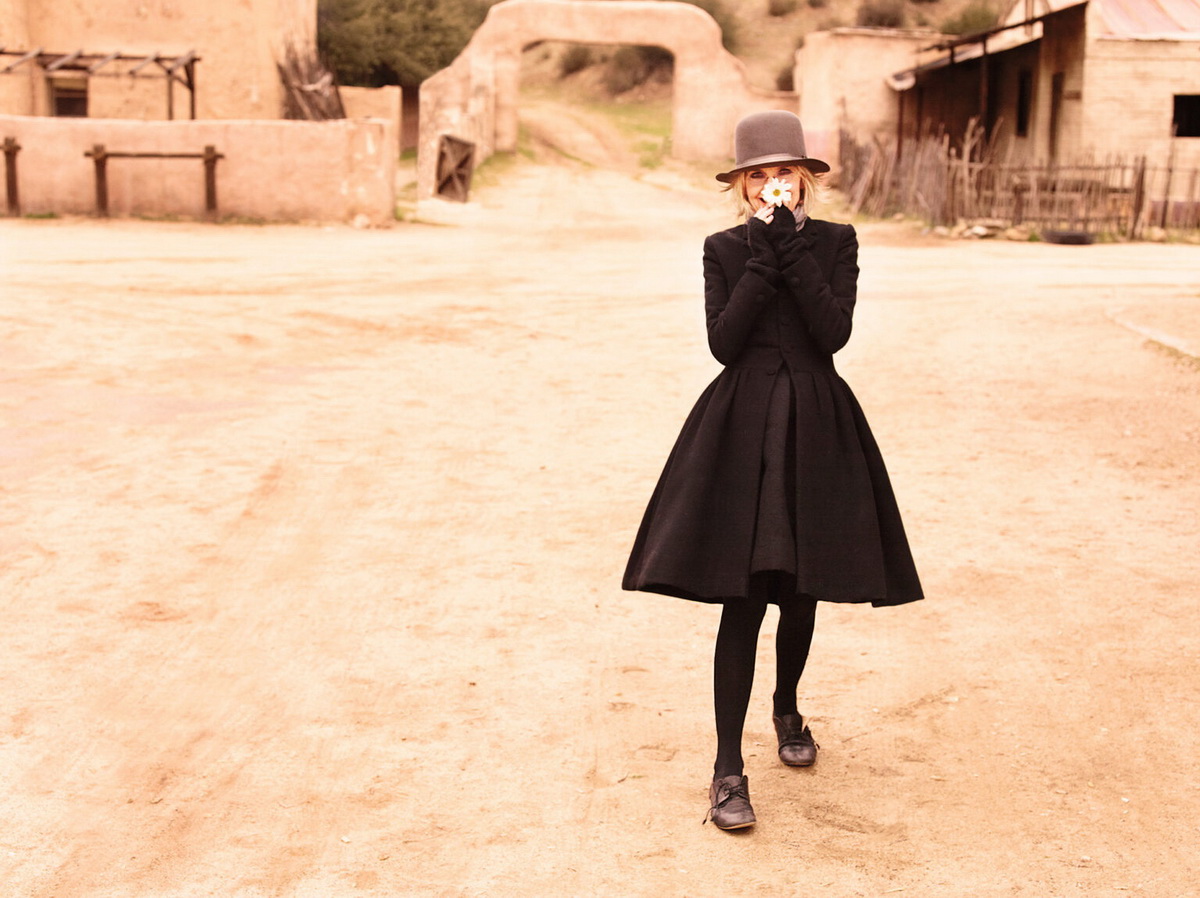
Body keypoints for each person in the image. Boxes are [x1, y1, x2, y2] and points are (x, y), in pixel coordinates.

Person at [622, 110, 923, 831]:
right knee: (745, 596)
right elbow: (725, 343)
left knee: (801, 588)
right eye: (757, 175)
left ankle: (787, 707)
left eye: (784, 172)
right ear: (741, 186)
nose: (771, 186)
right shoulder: (724, 248)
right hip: (743, 429)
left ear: (805, 178)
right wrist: (762, 255)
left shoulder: (837, 242)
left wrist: (792, 248)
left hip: (817, 424)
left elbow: (832, 334)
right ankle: (728, 769)